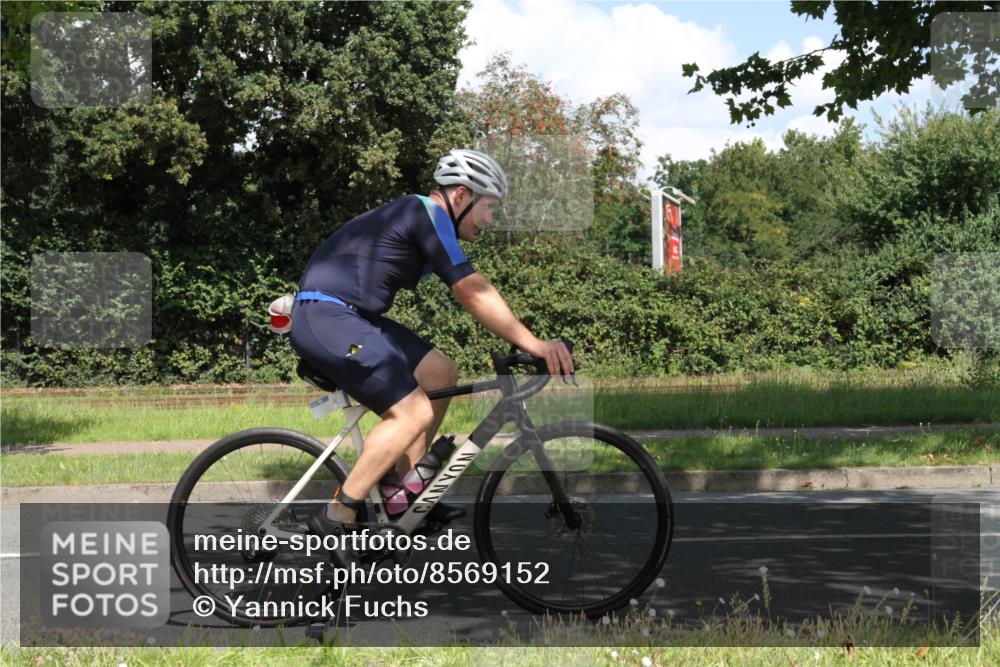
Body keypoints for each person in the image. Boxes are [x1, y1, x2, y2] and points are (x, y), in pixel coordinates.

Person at [289, 149, 574, 564]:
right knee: (413, 413)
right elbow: (471, 289)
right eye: (489, 208)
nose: (490, 220)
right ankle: (337, 515)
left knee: (440, 373)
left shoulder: (424, 220)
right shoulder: (426, 213)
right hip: (328, 314)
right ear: (461, 196)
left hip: (349, 315)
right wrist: (534, 343)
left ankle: (402, 492)